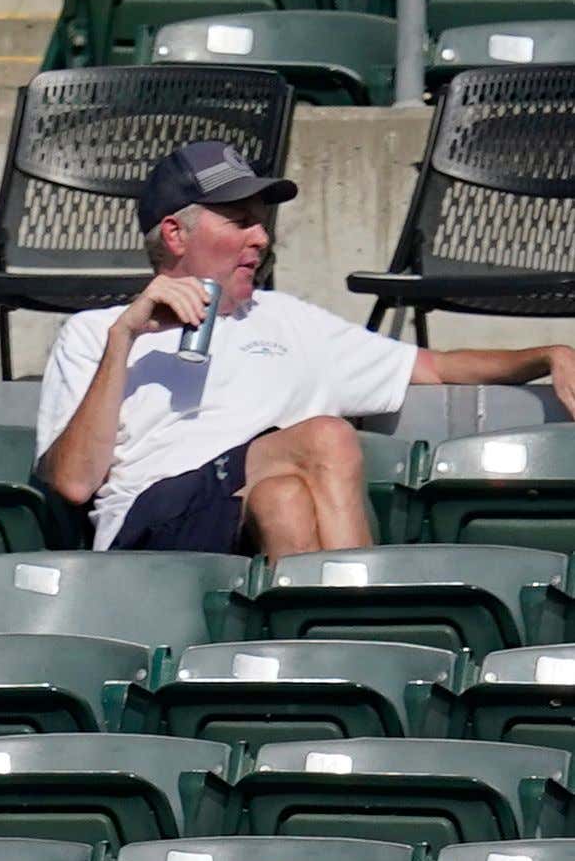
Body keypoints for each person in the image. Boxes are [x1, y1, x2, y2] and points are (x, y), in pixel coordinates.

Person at [36, 137, 575, 556]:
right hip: (148, 533)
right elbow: (74, 483)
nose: (262, 238)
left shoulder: (288, 320)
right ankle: (367, 622)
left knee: (284, 501)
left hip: (242, 516)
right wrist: (123, 340)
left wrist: (545, 355)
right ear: (176, 235)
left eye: (263, 223)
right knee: (325, 438)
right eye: (241, 222)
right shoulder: (97, 332)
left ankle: (312, 661)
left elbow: (434, 367)